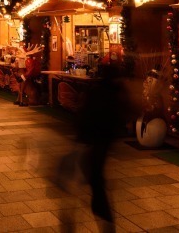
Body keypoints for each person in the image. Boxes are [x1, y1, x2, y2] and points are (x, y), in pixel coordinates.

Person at [54, 63, 130, 232]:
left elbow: (82, 116)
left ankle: (70, 222)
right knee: (96, 184)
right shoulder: (116, 94)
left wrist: (78, 138)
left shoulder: (95, 91)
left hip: (86, 143)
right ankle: (105, 224)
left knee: (80, 184)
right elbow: (120, 118)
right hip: (101, 146)